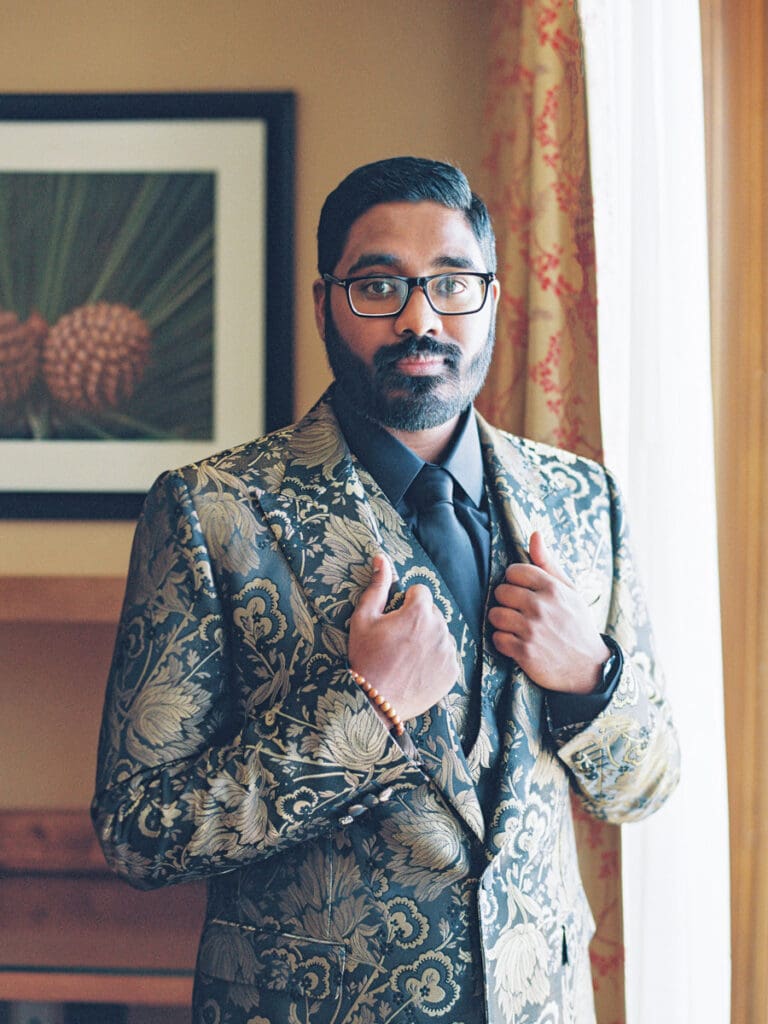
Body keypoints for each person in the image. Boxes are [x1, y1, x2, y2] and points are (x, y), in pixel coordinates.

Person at [92, 156, 679, 1024]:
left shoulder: (584, 498)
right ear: (327, 299)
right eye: (379, 285)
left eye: (451, 284)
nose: (419, 318)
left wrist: (590, 673)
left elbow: (650, 783)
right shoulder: (213, 511)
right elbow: (141, 831)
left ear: (492, 296)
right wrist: (362, 711)